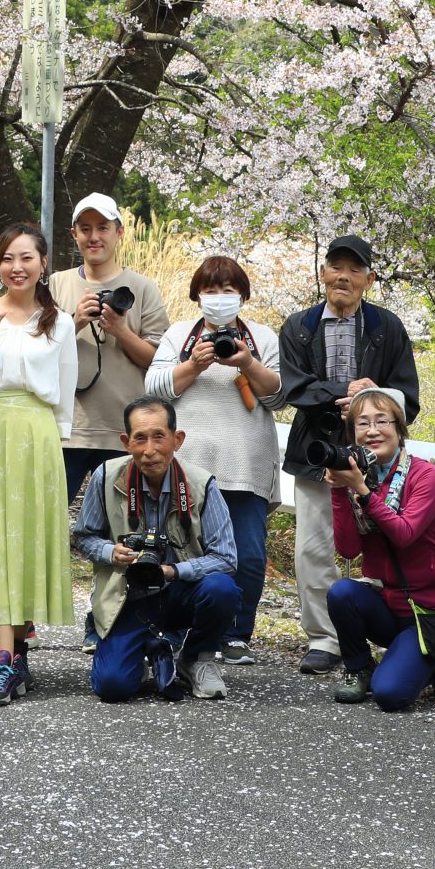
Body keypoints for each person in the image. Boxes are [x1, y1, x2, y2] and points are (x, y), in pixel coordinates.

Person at [276, 234, 418, 676]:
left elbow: (408, 396)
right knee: (314, 546)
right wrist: (343, 391)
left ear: (369, 279)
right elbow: (292, 388)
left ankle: (388, 630)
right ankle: (323, 637)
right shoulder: (298, 326)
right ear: (322, 274)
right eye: (335, 267)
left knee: (381, 543)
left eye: (355, 269)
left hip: (375, 452)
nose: (343, 276)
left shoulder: (387, 327)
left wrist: (368, 402)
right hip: (315, 450)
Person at [0, 221, 79, 706]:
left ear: (44, 264)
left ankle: (18, 651)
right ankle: (1, 660)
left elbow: (65, 395)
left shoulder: (61, 322)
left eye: (27, 257)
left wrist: (57, 448)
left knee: (25, 539)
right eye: (8, 257)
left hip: (39, 435)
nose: (16, 266)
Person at [142, 255, 283, 664]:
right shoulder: (180, 335)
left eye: (228, 290)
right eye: (210, 290)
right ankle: (185, 627)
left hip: (246, 462)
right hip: (189, 466)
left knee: (250, 554)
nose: (219, 298)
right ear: (196, 295)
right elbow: (154, 387)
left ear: (242, 295)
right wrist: (193, 364)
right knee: (184, 548)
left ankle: (237, 633)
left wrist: (246, 363)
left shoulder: (260, 337)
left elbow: (278, 395)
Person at [73, 396, 240, 701]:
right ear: (126, 442)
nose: (149, 450)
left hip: (182, 590)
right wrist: (111, 552)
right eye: (140, 438)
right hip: (129, 595)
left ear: (177, 440)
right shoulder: (106, 477)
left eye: (159, 437)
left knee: (222, 588)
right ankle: (144, 652)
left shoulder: (201, 484)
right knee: (112, 687)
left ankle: (195, 659)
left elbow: (226, 557)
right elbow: (84, 537)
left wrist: (174, 570)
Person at [324, 389, 435, 713]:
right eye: (363, 423)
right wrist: (340, 493)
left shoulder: (425, 475)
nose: (372, 430)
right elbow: (348, 549)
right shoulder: (362, 476)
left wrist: (362, 490)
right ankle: (359, 667)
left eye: (382, 421)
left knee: (390, 695)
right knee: (342, 592)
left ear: (399, 429)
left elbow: (405, 534)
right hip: (386, 605)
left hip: (425, 611)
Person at [49, 193, 170, 504]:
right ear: (74, 234)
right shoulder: (55, 285)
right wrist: (73, 322)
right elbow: (38, 352)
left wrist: (120, 331)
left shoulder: (143, 289)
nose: (94, 237)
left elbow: (158, 362)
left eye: (103, 228)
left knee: (124, 528)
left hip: (125, 431)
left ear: (119, 232)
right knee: (50, 519)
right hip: (67, 430)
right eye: (85, 228)